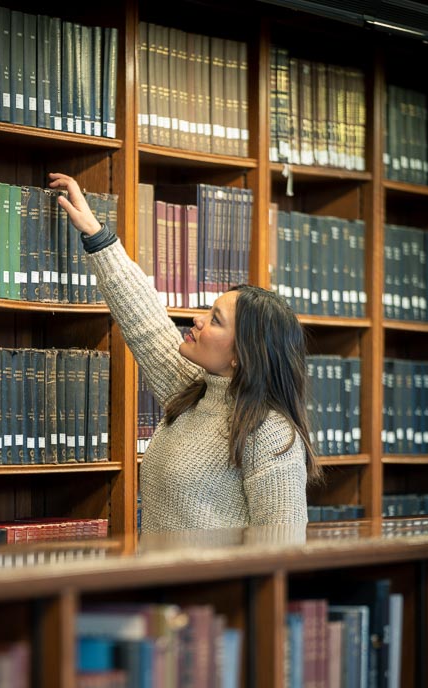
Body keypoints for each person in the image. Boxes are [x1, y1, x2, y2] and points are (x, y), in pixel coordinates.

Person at [48, 172, 321, 533]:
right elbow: (144, 319)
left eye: (216, 320)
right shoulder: (194, 392)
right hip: (159, 584)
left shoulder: (268, 433)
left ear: (242, 355)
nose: (197, 319)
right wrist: (96, 234)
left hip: (213, 590)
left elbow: (281, 547)